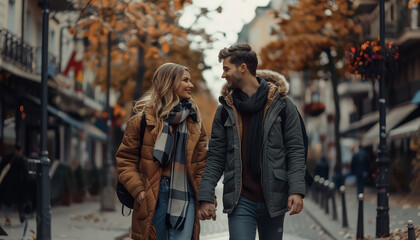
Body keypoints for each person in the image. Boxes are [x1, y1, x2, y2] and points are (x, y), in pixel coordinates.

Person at [197, 43, 306, 240]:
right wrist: (206, 196)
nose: (223, 75)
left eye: (226, 69)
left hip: (273, 197)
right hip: (240, 200)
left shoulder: (283, 106)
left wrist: (297, 190)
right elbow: (215, 156)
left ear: (243, 68)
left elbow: (296, 150)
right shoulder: (225, 110)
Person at [116, 63, 208, 240]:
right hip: (152, 194)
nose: (191, 85)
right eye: (185, 80)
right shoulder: (141, 121)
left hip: (185, 195)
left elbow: (202, 163)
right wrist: (139, 191)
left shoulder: (195, 123)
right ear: (170, 82)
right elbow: (125, 160)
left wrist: (207, 198)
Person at [0, 144, 30, 225]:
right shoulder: (21, 159)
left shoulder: (7, 157)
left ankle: (7, 219)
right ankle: (21, 214)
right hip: (17, 183)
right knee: (19, 201)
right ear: (20, 150)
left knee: (6, 202)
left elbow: (1, 168)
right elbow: (25, 172)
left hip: (6, 183)